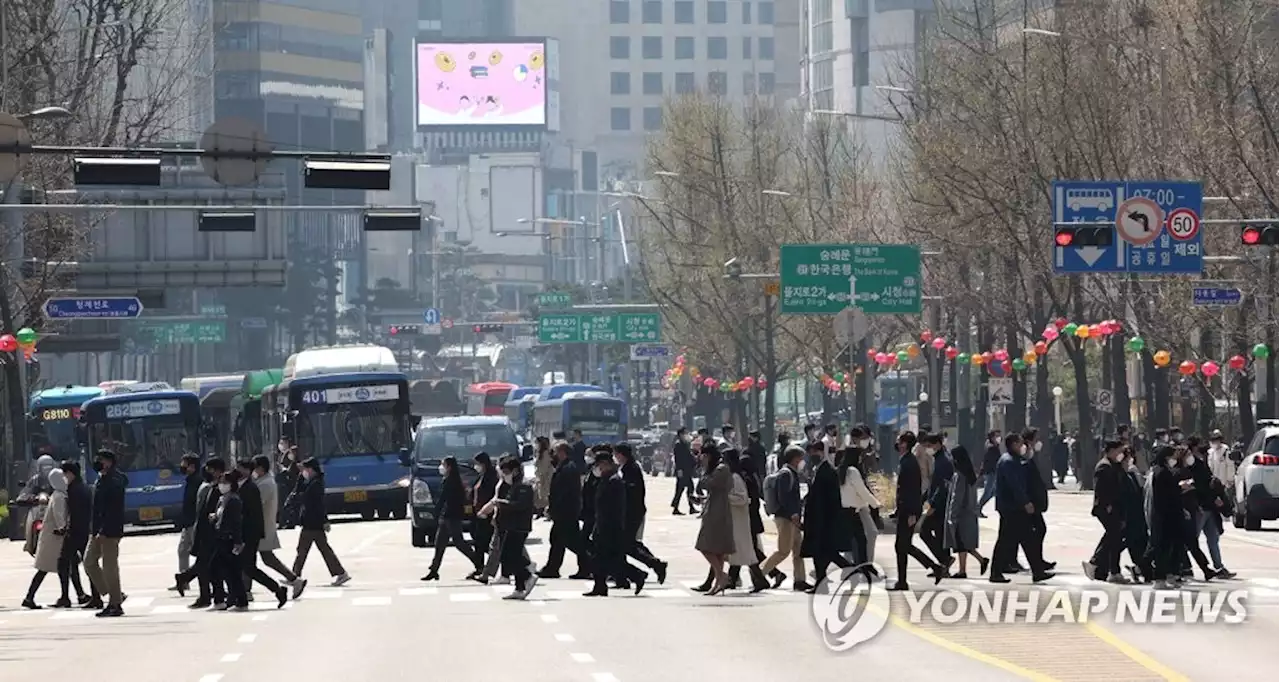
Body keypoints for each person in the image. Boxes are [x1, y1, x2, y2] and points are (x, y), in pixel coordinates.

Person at [585, 451, 647, 596]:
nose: (598, 468)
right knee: (602, 560)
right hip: (602, 525)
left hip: (610, 528)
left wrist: (608, 527)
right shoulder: (606, 479)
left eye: (600, 465)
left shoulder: (615, 481)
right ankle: (600, 587)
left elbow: (615, 508)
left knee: (608, 560)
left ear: (606, 463)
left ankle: (637, 575)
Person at [990, 433, 1050, 583]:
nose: (1023, 446)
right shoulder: (1009, 462)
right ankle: (996, 573)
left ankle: (1037, 572)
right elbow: (1015, 485)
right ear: (1014, 444)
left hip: (1012, 507)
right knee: (1007, 540)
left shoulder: (1012, 460)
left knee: (1026, 539)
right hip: (1012, 508)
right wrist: (1025, 502)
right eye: (1020, 443)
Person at [234, 459, 289, 608]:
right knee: (248, 568)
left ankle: (243, 596)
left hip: (250, 534)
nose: (237, 471)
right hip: (247, 533)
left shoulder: (252, 488)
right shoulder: (245, 486)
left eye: (239, 468)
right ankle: (276, 590)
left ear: (247, 470)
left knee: (246, 567)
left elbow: (249, 514)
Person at [801, 441, 854, 592]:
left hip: (825, 520)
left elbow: (829, 499)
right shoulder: (818, 470)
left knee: (827, 553)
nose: (812, 455)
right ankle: (821, 583)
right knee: (821, 554)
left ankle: (854, 572)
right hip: (819, 520)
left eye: (815, 452)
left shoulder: (827, 471)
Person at [252, 455, 307, 598]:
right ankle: (294, 579)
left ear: (261, 468)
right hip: (262, 526)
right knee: (264, 558)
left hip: (261, 527)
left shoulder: (265, 484)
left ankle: (293, 580)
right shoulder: (264, 481)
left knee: (254, 560)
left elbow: (255, 505)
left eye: (255, 468)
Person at [892, 432, 941, 590]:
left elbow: (912, 489)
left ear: (906, 443)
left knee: (902, 545)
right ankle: (934, 567)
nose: (897, 444)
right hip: (906, 508)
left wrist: (912, 512)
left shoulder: (909, 462)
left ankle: (903, 581)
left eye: (900, 441)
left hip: (909, 510)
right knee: (903, 546)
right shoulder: (906, 460)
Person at [423, 456, 485, 580]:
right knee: (439, 543)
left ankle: (479, 563)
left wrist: (436, 510)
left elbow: (443, 498)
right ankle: (434, 569)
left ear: (449, 467)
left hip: (452, 516)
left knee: (459, 543)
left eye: (443, 465)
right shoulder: (451, 479)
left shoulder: (451, 481)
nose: (441, 468)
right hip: (446, 515)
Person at [292, 458, 351, 586]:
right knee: (323, 549)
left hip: (312, 522)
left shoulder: (316, 484)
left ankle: (294, 576)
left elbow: (317, 504)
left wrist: (325, 520)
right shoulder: (311, 482)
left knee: (302, 550)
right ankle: (340, 573)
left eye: (305, 469)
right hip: (313, 522)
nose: (304, 472)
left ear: (311, 469)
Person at [614, 443, 668, 583]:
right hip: (629, 511)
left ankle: (654, 565)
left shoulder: (631, 468)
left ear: (621, 454)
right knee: (628, 544)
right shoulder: (626, 467)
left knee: (627, 545)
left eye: (616, 454)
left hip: (633, 512)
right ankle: (625, 575)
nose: (615, 457)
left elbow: (632, 490)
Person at [176, 458, 226, 607]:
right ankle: (210, 595)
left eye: (210, 469)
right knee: (206, 565)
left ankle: (213, 594)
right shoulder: (207, 487)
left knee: (208, 565)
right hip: (205, 531)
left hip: (214, 532)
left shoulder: (218, 486)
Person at [83, 449, 127, 617]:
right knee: (89, 562)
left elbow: (112, 510)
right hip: (97, 531)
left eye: (101, 460)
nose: (97, 462)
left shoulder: (114, 481)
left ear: (109, 462)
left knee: (110, 567)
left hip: (109, 531)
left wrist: (103, 530)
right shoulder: (102, 479)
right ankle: (115, 594)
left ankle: (115, 604)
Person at [722, 448, 771, 592]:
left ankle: (760, 580)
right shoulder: (734, 476)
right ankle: (732, 579)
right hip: (737, 519)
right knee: (741, 552)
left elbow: (743, 498)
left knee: (746, 552)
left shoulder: (736, 478)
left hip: (740, 520)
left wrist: (725, 497)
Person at [759, 445, 808, 591]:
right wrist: (792, 514)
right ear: (794, 459)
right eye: (801, 458)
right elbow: (784, 497)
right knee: (783, 551)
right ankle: (759, 573)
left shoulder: (791, 473)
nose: (802, 461)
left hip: (793, 518)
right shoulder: (786, 474)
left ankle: (800, 580)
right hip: (786, 518)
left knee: (798, 551)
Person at [22, 468, 70, 609]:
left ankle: (65, 596)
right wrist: (63, 528)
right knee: (47, 569)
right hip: (54, 538)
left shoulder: (57, 494)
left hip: (52, 538)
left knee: (61, 568)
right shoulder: (59, 496)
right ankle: (29, 597)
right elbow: (59, 515)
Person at [1084, 439, 1130, 583]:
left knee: (1113, 538)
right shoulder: (1104, 467)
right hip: (1106, 508)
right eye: (1119, 451)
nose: (1121, 454)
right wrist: (1107, 504)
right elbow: (1101, 489)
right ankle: (1103, 566)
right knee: (1114, 537)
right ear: (1111, 450)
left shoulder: (1114, 465)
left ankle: (1101, 567)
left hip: (1115, 507)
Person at [493, 457, 538, 599]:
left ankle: (527, 575)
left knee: (509, 555)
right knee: (513, 554)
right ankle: (519, 588)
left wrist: (502, 503)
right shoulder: (513, 485)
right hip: (511, 525)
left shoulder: (524, 486)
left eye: (506, 471)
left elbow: (519, 505)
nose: (504, 475)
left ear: (515, 471)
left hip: (519, 526)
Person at [539, 442, 585, 578]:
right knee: (557, 540)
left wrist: (554, 507)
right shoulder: (563, 467)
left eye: (556, 452)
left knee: (572, 542)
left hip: (567, 512)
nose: (554, 455)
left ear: (562, 452)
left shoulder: (569, 468)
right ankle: (552, 568)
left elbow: (564, 493)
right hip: (563, 512)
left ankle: (590, 565)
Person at [693, 444, 734, 595]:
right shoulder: (718, 469)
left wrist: (703, 470)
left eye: (703, 455)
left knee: (706, 545)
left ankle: (721, 576)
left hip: (718, 512)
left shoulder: (721, 469)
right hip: (714, 508)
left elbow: (708, 483)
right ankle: (718, 581)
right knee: (717, 550)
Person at [943, 446, 988, 578]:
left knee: (961, 544)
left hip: (961, 515)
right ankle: (980, 561)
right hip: (969, 514)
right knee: (964, 543)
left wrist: (952, 515)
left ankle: (963, 570)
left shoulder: (959, 476)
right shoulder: (970, 474)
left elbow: (957, 497)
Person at [1147, 446, 1188, 589]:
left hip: (1167, 514)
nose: (1174, 459)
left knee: (1165, 547)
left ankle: (1164, 576)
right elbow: (1165, 495)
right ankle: (1159, 578)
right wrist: (1179, 488)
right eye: (1173, 455)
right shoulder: (1162, 472)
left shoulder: (1162, 471)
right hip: (1165, 515)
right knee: (1162, 548)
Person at [210, 469, 248, 611]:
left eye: (225, 483)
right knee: (225, 571)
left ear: (232, 484)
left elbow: (236, 522)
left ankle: (239, 601)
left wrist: (238, 541)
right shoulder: (222, 499)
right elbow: (220, 518)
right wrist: (214, 518)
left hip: (229, 540)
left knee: (231, 571)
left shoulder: (234, 500)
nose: (222, 485)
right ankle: (230, 599)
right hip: (220, 539)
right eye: (220, 483)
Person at [838, 445, 879, 567]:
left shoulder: (842, 470)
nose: (861, 459)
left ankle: (860, 565)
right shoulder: (853, 471)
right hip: (856, 509)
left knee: (856, 539)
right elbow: (862, 491)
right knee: (863, 538)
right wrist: (875, 503)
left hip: (847, 509)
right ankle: (864, 566)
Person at [919, 433, 954, 572]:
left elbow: (942, 486)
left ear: (938, 444)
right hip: (935, 501)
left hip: (940, 504)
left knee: (925, 531)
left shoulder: (943, 461)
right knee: (939, 535)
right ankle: (945, 563)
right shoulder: (939, 459)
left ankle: (945, 561)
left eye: (929, 446)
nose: (928, 449)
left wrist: (932, 505)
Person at [57, 461, 91, 607]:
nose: (64, 477)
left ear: (70, 473)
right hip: (84, 530)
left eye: (65, 474)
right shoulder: (85, 487)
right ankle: (92, 595)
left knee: (63, 563)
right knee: (87, 564)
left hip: (75, 532)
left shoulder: (73, 489)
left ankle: (65, 596)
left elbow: (75, 513)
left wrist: (68, 529)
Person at [174, 454, 203, 582]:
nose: (182, 467)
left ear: (192, 466)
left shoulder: (198, 481)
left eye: (184, 464)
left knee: (201, 555)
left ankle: (188, 578)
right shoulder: (190, 480)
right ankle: (183, 578)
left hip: (194, 522)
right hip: (188, 522)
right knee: (182, 550)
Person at [469, 452, 499, 577]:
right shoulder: (481, 476)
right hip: (478, 514)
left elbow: (492, 496)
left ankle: (518, 565)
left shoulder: (491, 477)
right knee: (479, 542)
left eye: (478, 464)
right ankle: (480, 567)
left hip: (487, 514)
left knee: (486, 543)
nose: (476, 466)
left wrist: (488, 511)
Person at [670, 428, 699, 515]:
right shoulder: (678, 444)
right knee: (682, 489)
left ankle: (687, 507)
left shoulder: (685, 444)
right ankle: (680, 507)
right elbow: (678, 459)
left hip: (687, 470)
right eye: (685, 433)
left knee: (686, 488)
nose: (686, 435)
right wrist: (679, 470)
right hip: (682, 470)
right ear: (680, 435)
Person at [977, 430, 1001, 516]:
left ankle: (978, 507)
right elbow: (988, 461)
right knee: (988, 492)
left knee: (993, 492)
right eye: (996, 436)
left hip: (992, 472)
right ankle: (977, 508)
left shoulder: (993, 446)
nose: (999, 438)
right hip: (991, 472)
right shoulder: (991, 448)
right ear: (992, 437)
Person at [534, 436, 554, 517]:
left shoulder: (545, 453)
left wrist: (540, 475)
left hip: (545, 477)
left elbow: (544, 467)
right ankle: (540, 511)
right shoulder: (539, 453)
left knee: (546, 496)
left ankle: (547, 512)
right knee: (539, 496)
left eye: (537, 443)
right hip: (540, 477)